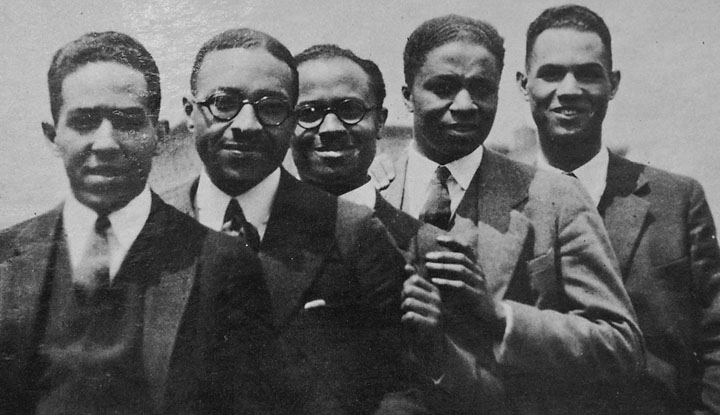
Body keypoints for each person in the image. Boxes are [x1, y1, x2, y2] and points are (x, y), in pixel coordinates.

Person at [378, 14, 644, 413]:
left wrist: (501, 317)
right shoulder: (369, 189)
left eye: (481, 88)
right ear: (406, 95)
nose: (465, 105)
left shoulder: (555, 197)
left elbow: (621, 345)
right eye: (444, 87)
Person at [161, 29, 432, 414]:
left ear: (291, 122)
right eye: (223, 103)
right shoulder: (156, 224)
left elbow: (405, 387)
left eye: (270, 107)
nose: (247, 124)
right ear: (190, 113)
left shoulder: (351, 230)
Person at [0, 31, 271, 414]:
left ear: (158, 135)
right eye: (84, 121)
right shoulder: (5, 259)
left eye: (127, 121)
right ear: (52, 135)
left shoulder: (222, 264)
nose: (106, 143)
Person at [517, 5, 720, 414]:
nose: (570, 88)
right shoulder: (498, 200)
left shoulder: (676, 200)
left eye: (589, 73)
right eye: (552, 73)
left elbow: (716, 338)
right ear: (524, 85)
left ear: (613, 84)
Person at [291, 43, 506, 413]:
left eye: (350, 110)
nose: (330, 129)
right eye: (308, 112)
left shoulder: (435, 250)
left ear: (379, 121)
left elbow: (494, 397)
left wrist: (438, 347)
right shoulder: (247, 234)